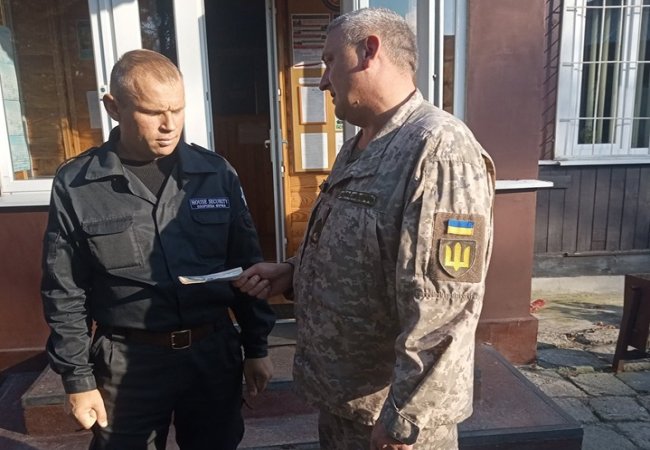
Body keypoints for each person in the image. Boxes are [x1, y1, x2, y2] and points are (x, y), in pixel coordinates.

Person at [234, 7, 495, 450]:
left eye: (329, 61)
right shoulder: (359, 145)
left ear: (369, 51)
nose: (322, 81)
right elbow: (362, 248)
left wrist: (404, 419)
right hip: (345, 402)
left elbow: (445, 308)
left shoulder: (439, 149)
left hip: (393, 420)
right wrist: (293, 272)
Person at [41, 49, 275, 450]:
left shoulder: (215, 173)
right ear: (114, 107)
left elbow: (246, 266)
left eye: (177, 110)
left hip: (211, 355)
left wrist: (256, 346)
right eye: (152, 112)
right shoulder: (78, 184)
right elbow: (65, 290)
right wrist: (77, 379)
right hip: (128, 364)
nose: (169, 125)